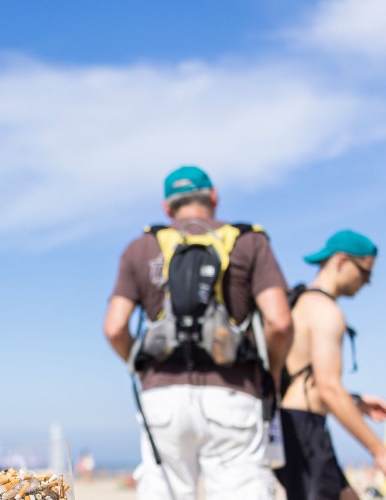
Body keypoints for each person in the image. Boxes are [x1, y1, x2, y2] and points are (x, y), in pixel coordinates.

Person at [103, 165, 293, 499]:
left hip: (162, 394)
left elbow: (115, 327)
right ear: (214, 197)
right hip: (234, 390)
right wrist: (272, 373)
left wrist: (141, 367)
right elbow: (279, 322)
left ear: (166, 207)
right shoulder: (250, 241)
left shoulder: (140, 247)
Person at [276, 229, 386, 499]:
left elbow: (307, 380)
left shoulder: (301, 303)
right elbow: (328, 388)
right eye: (364, 271)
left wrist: (355, 401)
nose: (367, 282)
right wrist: (378, 450)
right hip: (304, 430)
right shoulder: (326, 311)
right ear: (341, 261)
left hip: (292, 425)